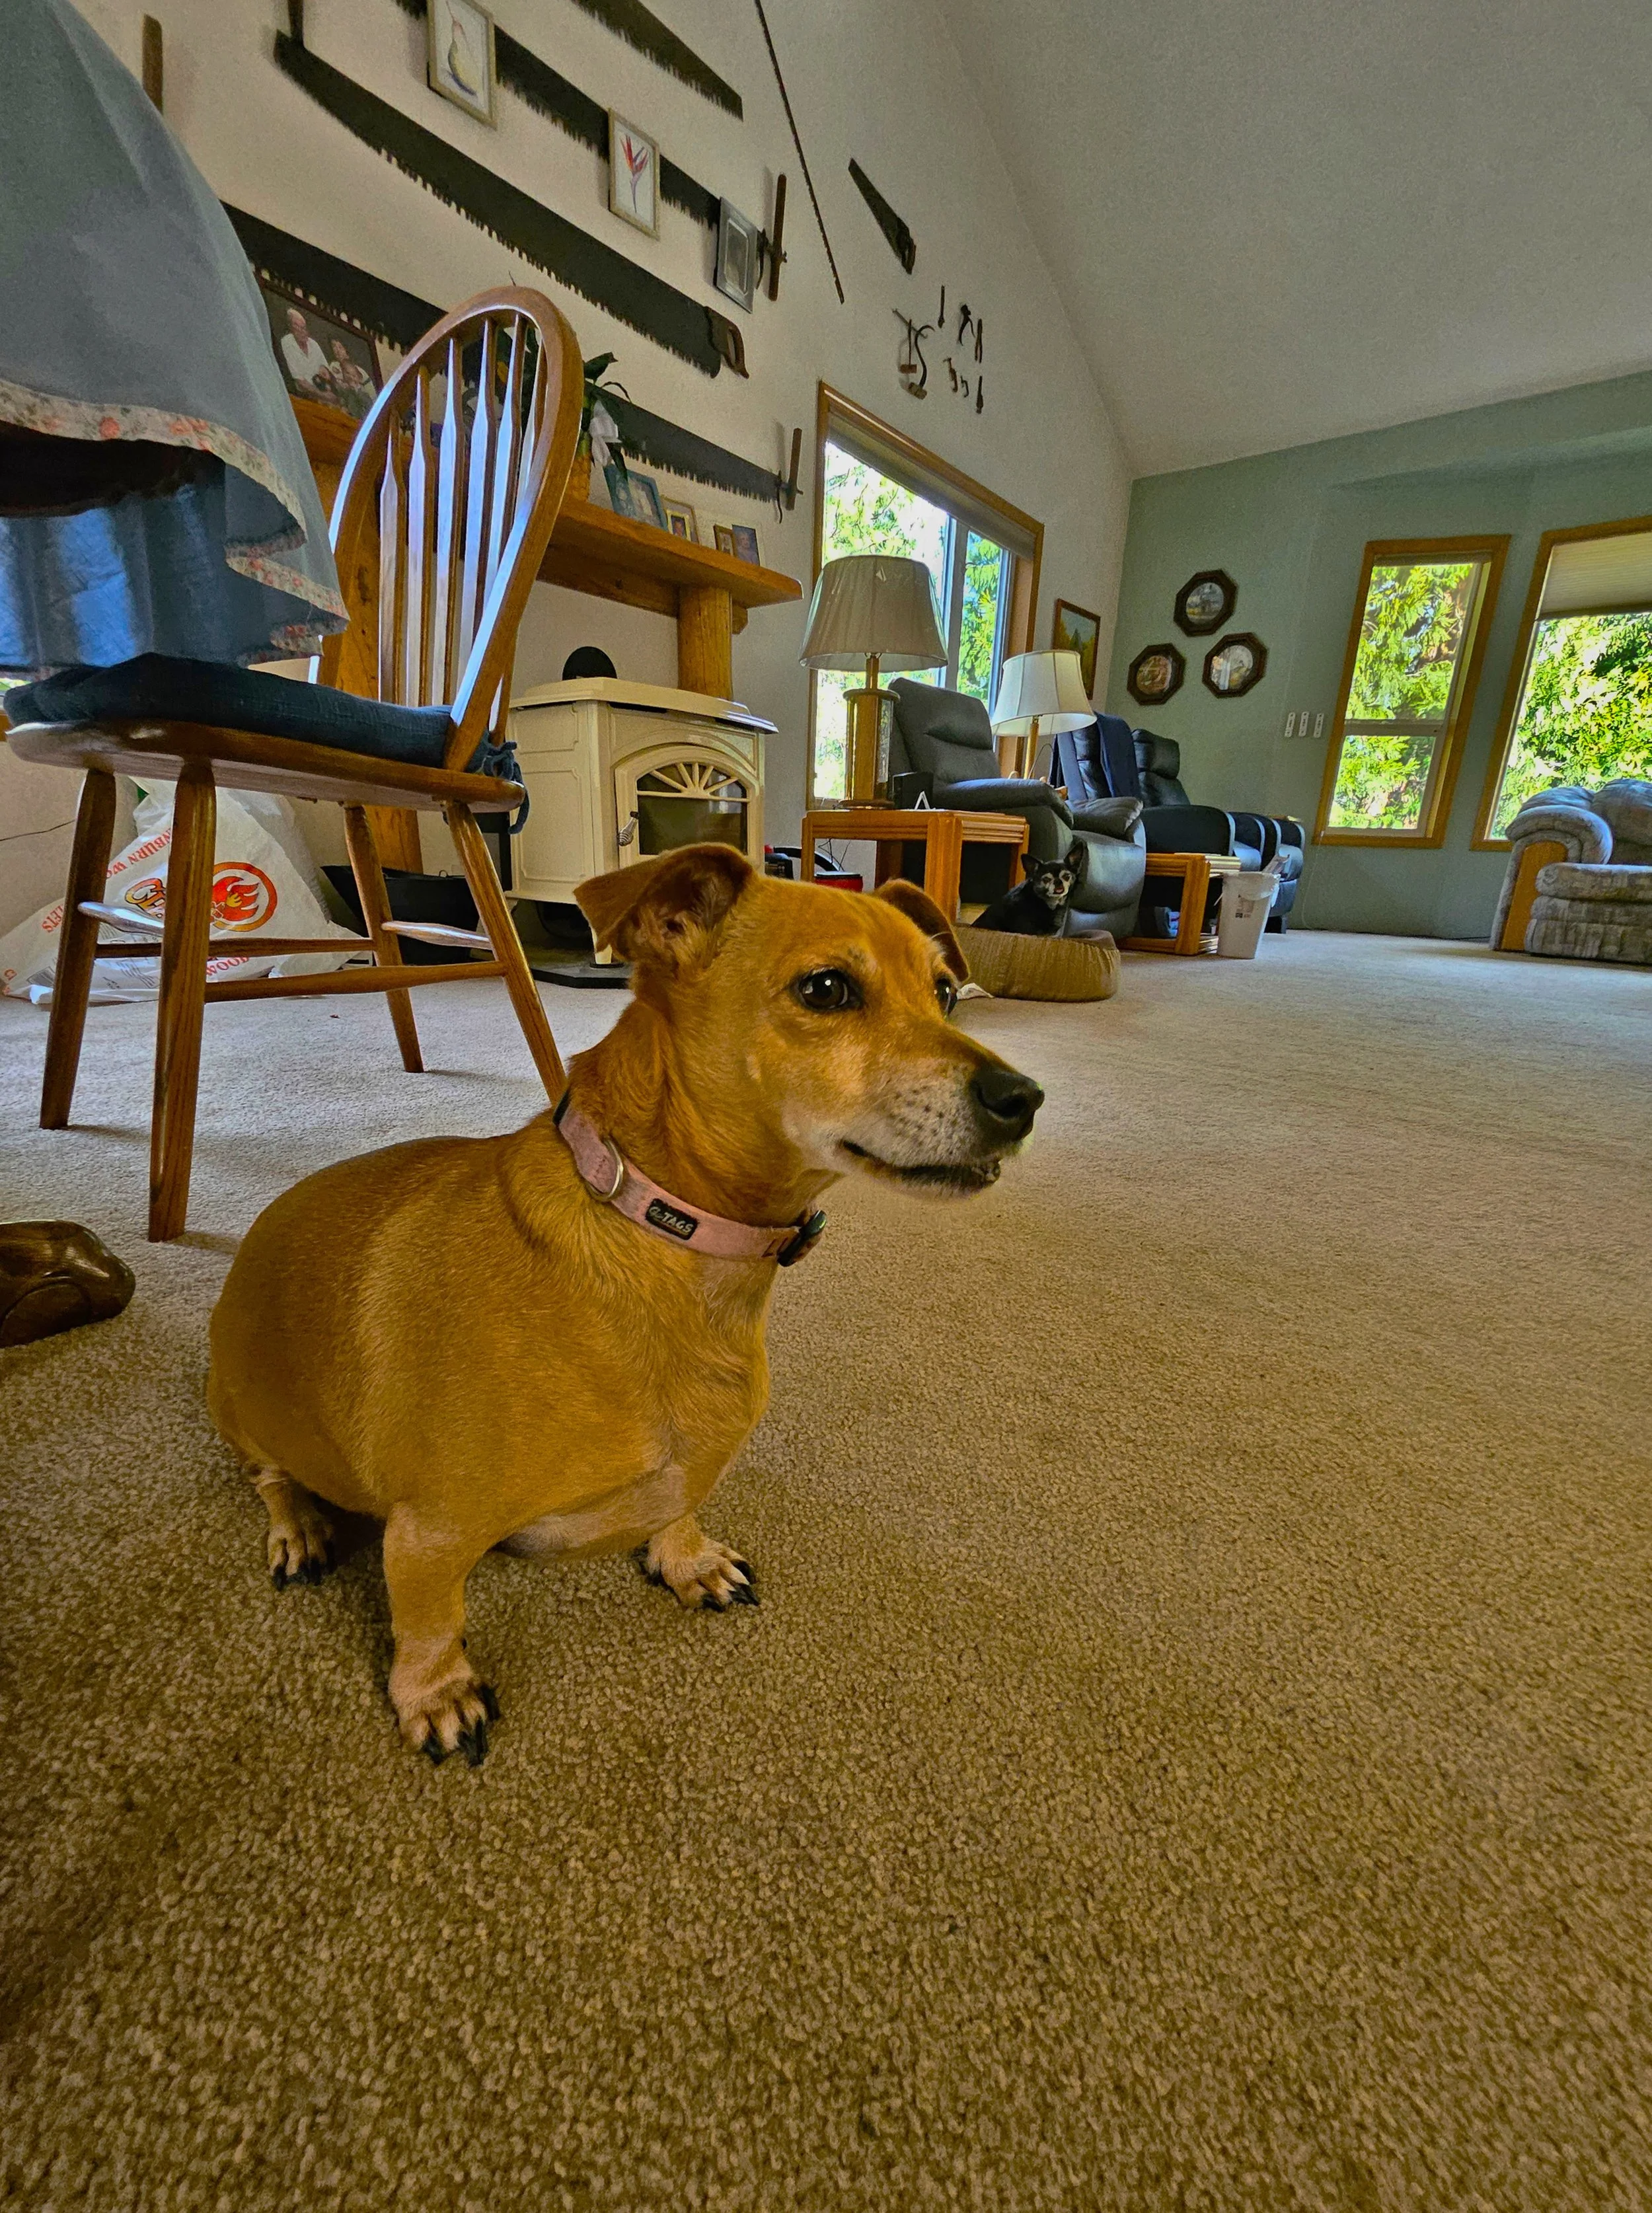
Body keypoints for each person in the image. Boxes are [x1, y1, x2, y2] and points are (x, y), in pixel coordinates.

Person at [279, 307, 331, 396]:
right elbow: (299, 382)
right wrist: (323, 395)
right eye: (297, 327)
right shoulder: (287, 342)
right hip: (302, 395)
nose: (302, 331)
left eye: (304, 328)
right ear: (290, 328)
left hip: (323, 390)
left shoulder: (313, 344)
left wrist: (324, 370)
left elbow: (326, 369)